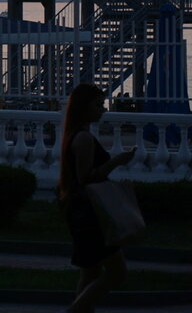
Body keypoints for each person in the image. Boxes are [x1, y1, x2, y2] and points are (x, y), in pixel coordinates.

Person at [59, 83, 136, 313]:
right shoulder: (83, 139)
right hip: (91, 214)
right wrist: (117, 161)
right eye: (98, 104)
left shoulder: (77, 134)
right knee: (117, 273)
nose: (103, 109)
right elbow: (86, 178)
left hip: (81, 211)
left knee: (90, 272)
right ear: (84, 107)